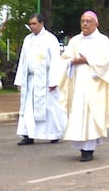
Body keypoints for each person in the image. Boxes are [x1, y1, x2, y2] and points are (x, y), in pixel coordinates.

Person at [59, 11, 109, 162]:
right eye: (83, 21)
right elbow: (65, 58)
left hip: (95, 85)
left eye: (88, 21)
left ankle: (89, 149)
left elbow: (106, 62)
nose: (85, 24)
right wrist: (72, 60)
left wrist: (88, 60)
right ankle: (81, 146)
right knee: (78, 114)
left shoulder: (102, 41)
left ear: (96, 24)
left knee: (92, 115)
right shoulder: (75, 41)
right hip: (77, 83)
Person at [15, 13, 66, 145]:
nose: (32, 26)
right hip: (31, 80)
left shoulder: (50, 39)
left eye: (34, 24)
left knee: (50, 108)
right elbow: (23, 60)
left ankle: (54, 133)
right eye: (30, 24)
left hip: (46, 80)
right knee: (28, 108)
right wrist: (20, 79)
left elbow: (55, 60)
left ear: (41, 23)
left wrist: (54, 80)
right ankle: (28, 134)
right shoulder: (28, 39)